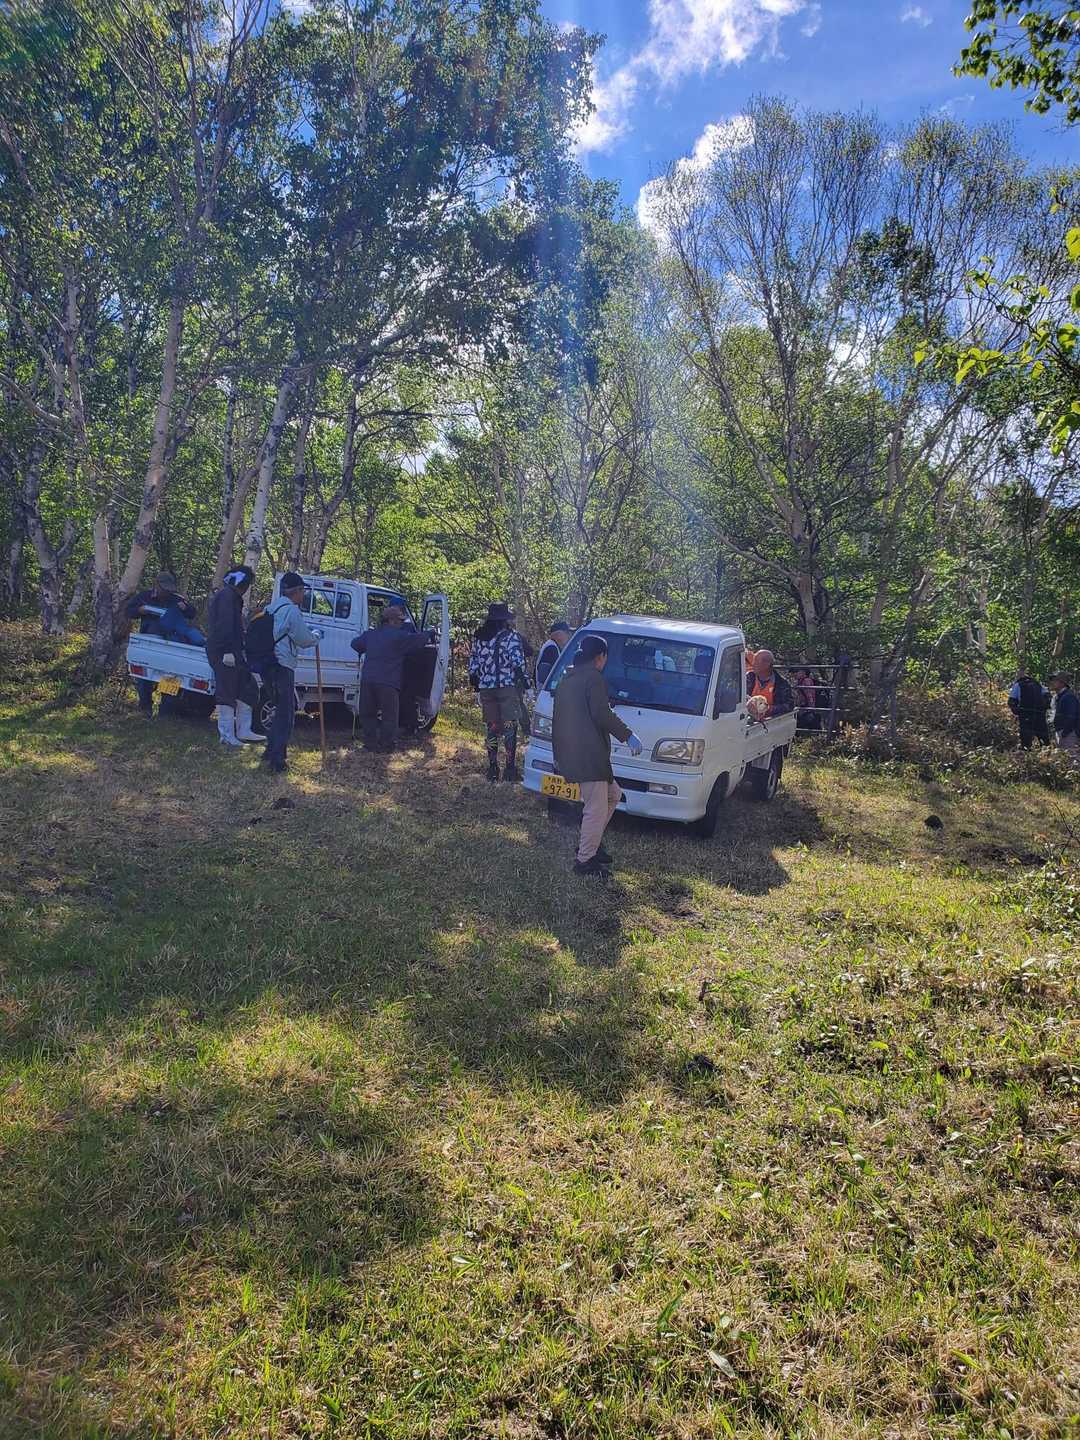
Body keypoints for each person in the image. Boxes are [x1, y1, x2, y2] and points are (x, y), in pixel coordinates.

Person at [552, 634, 643, 877]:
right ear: (600, 657)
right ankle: (585, 861)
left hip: (574, 751)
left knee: (614, 795)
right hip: (588, 753)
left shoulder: (567, 678)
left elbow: (558, 720)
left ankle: (591, 843)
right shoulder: (593, 678)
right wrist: (628, 735)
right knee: (595, 809)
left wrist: (558, 753)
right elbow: (602, 714)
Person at [351, 604, 436, 752]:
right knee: (389, 716)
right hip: (388, 683)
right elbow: (418, 640)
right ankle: (386, 746)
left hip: (368, 680)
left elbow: (355, 644)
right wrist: (430, 633)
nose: (402, 623)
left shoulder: (370, 634)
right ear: (391, 621)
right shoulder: (399, 636)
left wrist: (366, 648)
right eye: (400, 620)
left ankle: (370, 744)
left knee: (368, 714)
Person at [262, 572, 322, 774]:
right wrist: (316, 635)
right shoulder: (292, 611)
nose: (303, 595)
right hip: (282, 665)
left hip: (267, 665)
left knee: (279, 709)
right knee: (286, 714)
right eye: (303, 591)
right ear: (296, 591)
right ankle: (277, 761)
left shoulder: (270, 608)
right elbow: (303, 639)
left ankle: (270, 751)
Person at [125, 570, 200, 716]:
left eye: (169, 590)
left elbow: (192, 613)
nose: (166, 593)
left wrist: (186, 608)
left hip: (171, 645)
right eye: (164, 589)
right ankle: (145, 707)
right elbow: (129, 611)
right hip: (148, 642)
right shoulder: (144, 597)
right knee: (144, 677)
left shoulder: (177, 599)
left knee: (170, 677)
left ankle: (165, 710)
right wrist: (140, 610)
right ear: (157, 585)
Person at [468, 602, 528, 782]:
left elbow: (473, 664)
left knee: (492, 728)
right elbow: (517, 662)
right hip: (506, 687)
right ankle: (509, 769)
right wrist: (525, 682)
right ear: (504, 620)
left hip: (487, 689)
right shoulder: (511, 637)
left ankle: (493, 768)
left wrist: (477, 682)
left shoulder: (479, 638)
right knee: (509, 728)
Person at [206, 566, 260, 750]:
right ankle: (227, 736)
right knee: (227, 692)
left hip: (233, 650)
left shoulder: (232, 597)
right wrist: (227, 651)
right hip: (224, 650)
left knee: (247, 687)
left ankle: (243, 730)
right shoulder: (226, 596)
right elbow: (224, 626)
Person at [1008, 671, 1051, 750]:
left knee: (1026, 741)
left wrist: (1019, 712)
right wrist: (1043, 710)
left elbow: (1011, 701)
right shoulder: (1038, 684)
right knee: (1044, 740)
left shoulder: (1018, 685)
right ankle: (1048, 753)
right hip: (1039, 716)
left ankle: (1027, 754)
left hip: (1025, 716)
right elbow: (1048, 698)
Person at [747, 648, 794, 717]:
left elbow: (789, 705)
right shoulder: (749, 678)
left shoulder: (781, 684)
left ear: (767, 664)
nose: (753, 664)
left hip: (771, 721)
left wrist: (769, 709)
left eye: (756, 661)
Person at [1050, 672, 1080, 764]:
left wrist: (1065, 733)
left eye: (1055, 680)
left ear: (1062, 683)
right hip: (1064, 733)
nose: (1052, 682)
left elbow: (1072, 716)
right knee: (1065, 761)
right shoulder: (1061, 696)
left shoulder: (1068, 696)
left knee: (1072, 761)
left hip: (1069, 734)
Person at [535, 621, 571, 688]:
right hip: (548, 692)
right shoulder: (551, 648)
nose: (569, 636)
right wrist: (556, 686)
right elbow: (543, 676)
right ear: (559, 635)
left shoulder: (554, 646)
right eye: (567, 633)